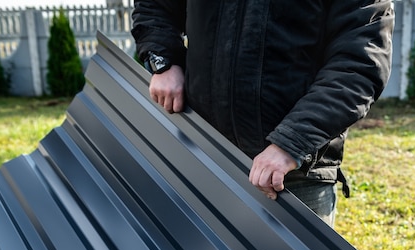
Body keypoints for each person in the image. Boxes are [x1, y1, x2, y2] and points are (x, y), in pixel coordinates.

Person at [132, 1, 394, 226]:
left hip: (293, 176)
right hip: (202, 157)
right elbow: (155, 6)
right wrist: (164, 60)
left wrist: (291, 142)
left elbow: (359, 62)